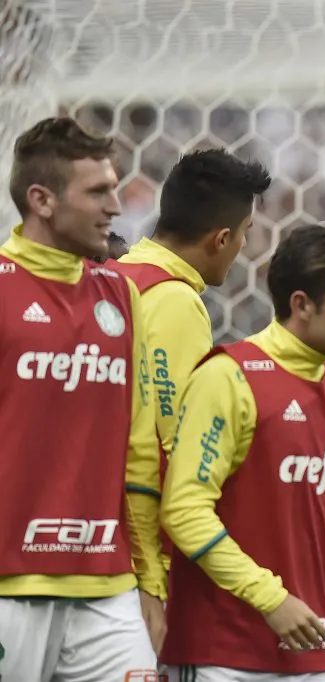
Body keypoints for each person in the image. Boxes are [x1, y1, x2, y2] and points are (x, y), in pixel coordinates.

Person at [159, 225, 325, 680]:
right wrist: (270, 599)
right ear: (302, 304)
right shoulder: (228, 377)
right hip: (227, 651)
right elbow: (183, 510)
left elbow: (324, 504)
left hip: (314, 640)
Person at [0, 117, 165, 678]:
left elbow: (141, 446)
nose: (115, 206)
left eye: (115, 188)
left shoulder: (119, 293)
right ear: (41, 199)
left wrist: (151, 579)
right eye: (97, 191)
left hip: (107, 583)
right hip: (8, 583)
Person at [111, 148, 271, 568]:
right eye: (244, 232)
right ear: (222, 238)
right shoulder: (174, 300)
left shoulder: (118, 277)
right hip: (143, 545)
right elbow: (177, 438)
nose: (242, 245)